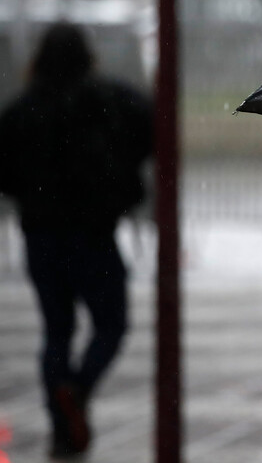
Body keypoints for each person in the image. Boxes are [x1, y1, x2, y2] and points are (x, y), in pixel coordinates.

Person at [0, 23, 153, 458]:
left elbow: (5, 171)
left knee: (56, 332)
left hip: (42, 239)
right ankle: (79, 390)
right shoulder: (108, 100)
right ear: (87, 56)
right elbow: (148, 128)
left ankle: (62, 427)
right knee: (112, 323)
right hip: (92, 236)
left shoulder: (22, 110)